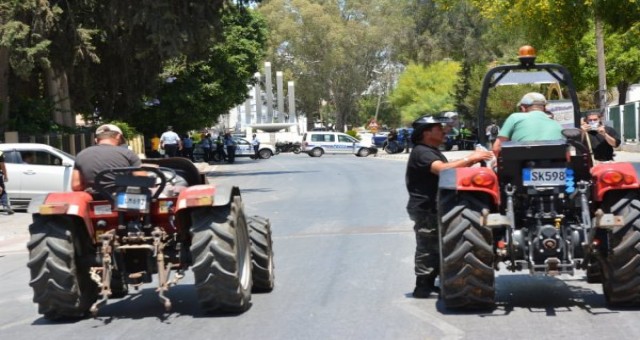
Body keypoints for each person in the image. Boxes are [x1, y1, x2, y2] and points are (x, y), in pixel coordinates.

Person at [405, 114, 493, 298]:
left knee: (438, 245)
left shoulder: (431, 150)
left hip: (432, 205)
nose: (444, 131)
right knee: (428, 247)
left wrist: (472, 163)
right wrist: (471, 158)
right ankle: (422, 286)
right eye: (439, 128)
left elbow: (450, 168)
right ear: (426, 133)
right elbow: (443, 170)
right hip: (425, 207)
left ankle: (431, 282)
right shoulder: (422, 152)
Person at [72, 124, 142, 192]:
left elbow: (76, 186)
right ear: (118, 136)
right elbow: (142, 179)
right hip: (122, 197)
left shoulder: (81, 155)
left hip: (94, 198)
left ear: (96, 140)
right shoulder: (128, 153)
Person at [492, 92, 564, 156]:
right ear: (544, 108)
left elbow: (496, 148)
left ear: (523, 108)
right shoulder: (557, 124)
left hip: (521, 164)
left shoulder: (515, 117)